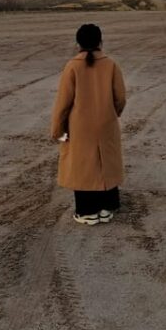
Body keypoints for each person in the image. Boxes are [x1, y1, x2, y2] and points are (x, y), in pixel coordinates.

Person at [51, 24, 127, 225]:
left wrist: (58, 131)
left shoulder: (72, 66)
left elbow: (63, 103)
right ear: (100, 41)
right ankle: (107, 208)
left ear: (78, 43)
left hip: (79, 126)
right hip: (106, 122)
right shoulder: (111, 64)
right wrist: (112, 114)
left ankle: (87, 212)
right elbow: (120, 98)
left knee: (83, 166)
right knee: (106, 161)